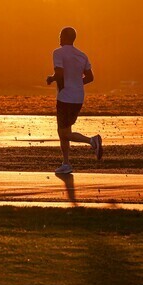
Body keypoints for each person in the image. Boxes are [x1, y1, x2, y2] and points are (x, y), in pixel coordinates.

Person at [47, 26, 101, 175]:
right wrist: (77, 83)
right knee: (64, 130)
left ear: (64, 38)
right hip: (78, 97)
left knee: (63, 133)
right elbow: (90, 77)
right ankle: (66, 163)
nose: (59, 39)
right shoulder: (82, 55)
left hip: (65, 97)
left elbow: (59, 72)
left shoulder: (58, 53)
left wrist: (51, 78)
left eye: (60, 36)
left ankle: (92, 141)